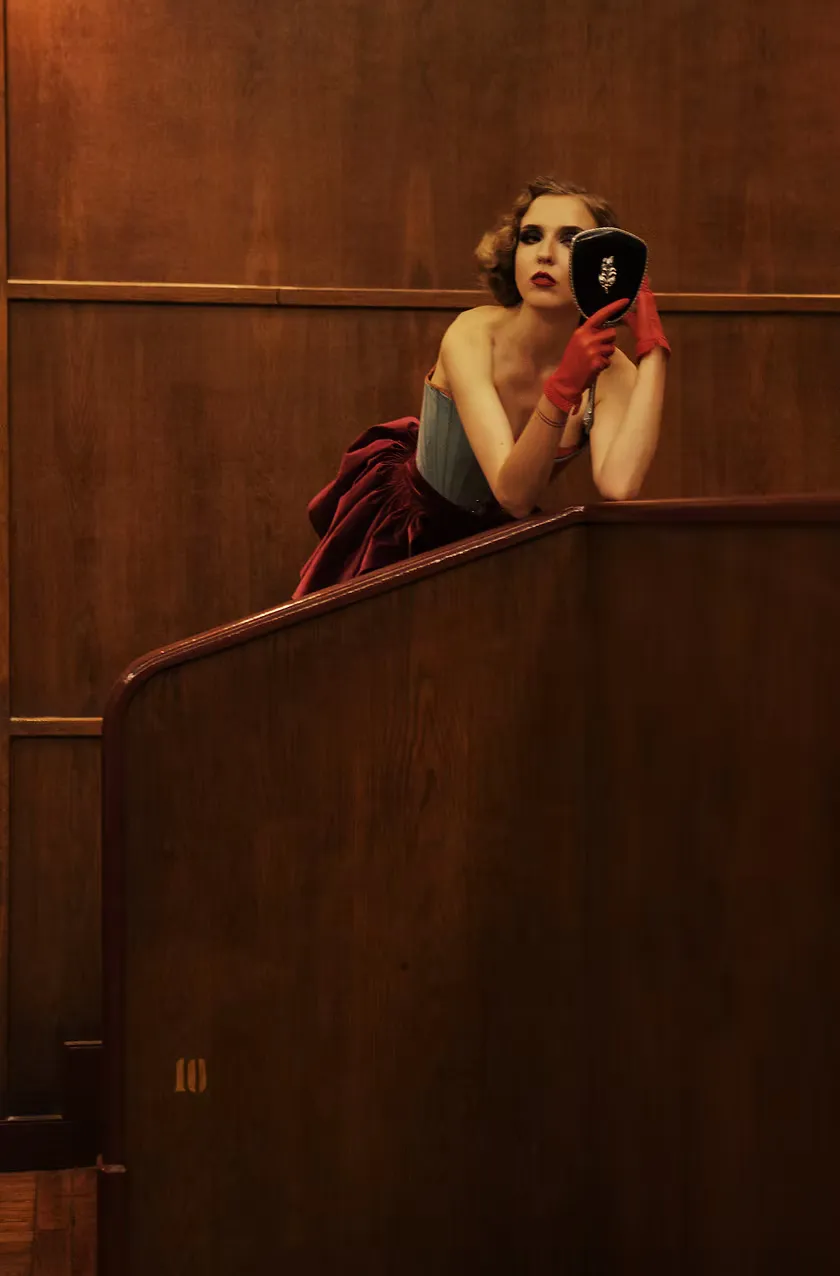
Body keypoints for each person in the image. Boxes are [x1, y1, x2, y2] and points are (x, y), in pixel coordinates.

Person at [292, 177, 669, 599]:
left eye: (569, 240)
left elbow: (619, 484)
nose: (544, 253)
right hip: (407, 531)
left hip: (499, 544)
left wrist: (653, 350)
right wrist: (564, 386)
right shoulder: (472, 333)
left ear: (601, 262)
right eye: (531, 237)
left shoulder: (611, 369)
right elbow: (513, 495)